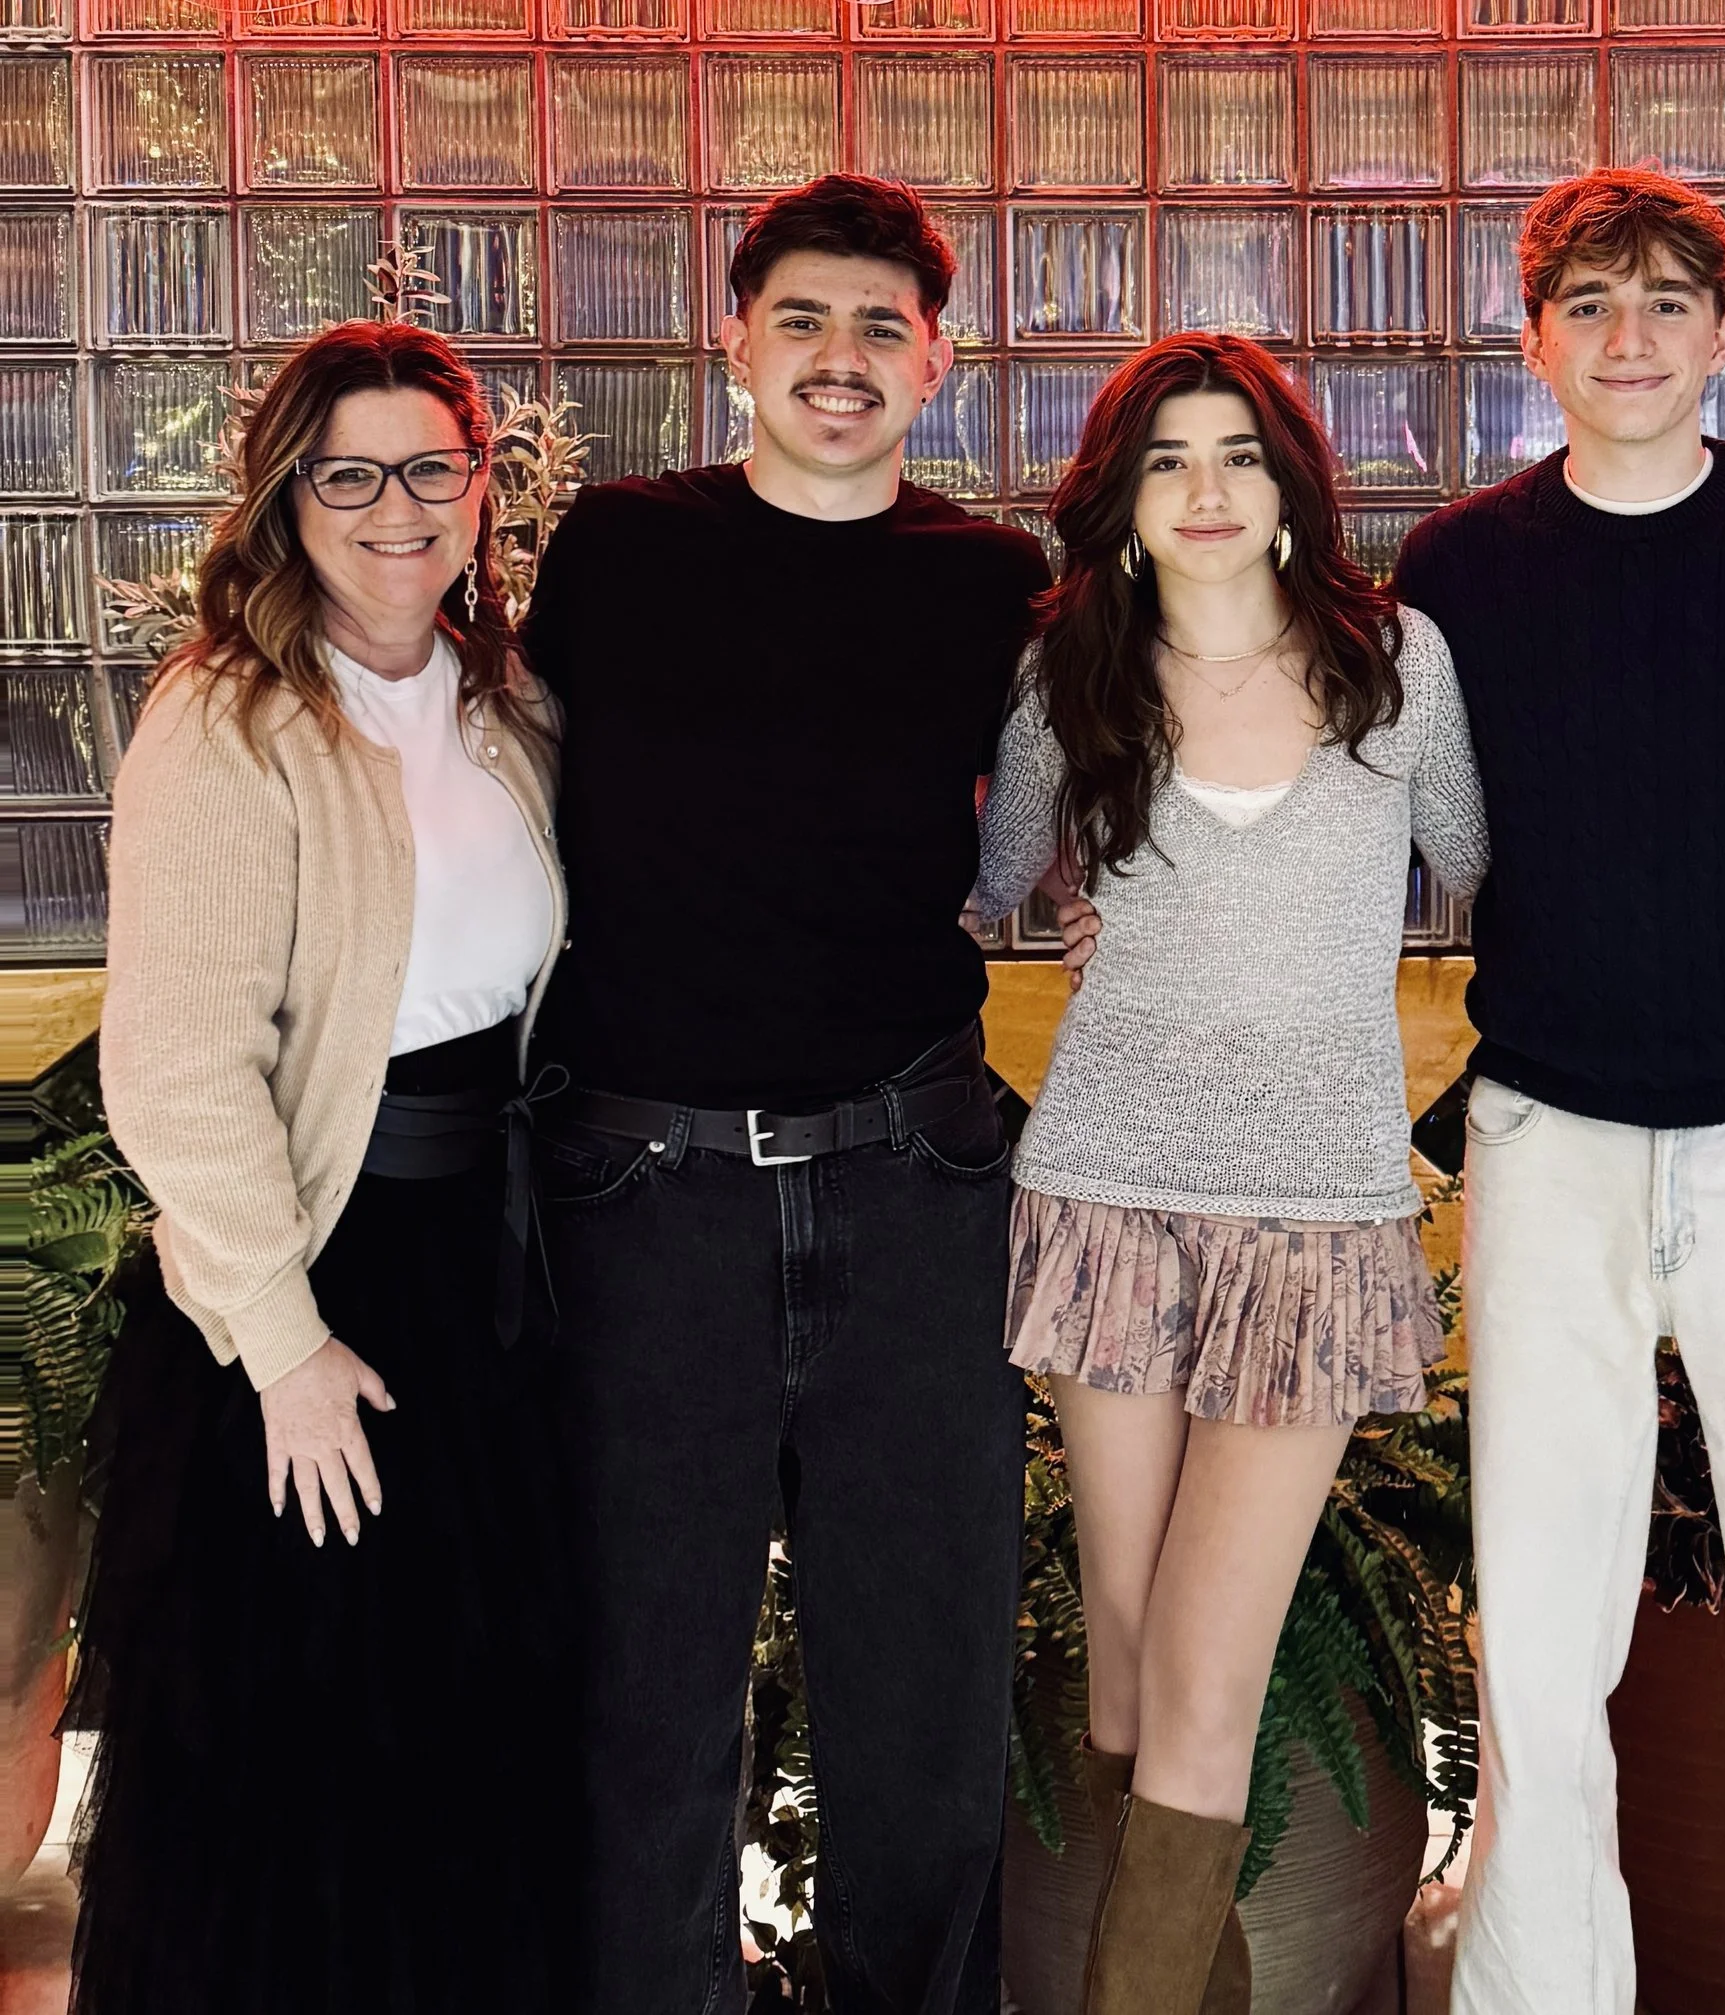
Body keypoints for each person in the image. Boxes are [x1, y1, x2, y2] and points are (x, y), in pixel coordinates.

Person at [521, 173, 1051, 2015]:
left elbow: (1066, 829)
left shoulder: (993, 582)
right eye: (804, 322)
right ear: (731, 340)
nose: (842, 359)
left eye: (882, 328)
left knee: (922, 1691)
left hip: (912, 1176)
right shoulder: (617, 546)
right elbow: (504, 791)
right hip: (640, 1190)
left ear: (939, 363)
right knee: (641, 1690)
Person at [1393, 168, 1725, 2015]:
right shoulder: (1455, 571)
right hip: (1549, 1135)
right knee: (1537, 1630)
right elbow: (1421, 833)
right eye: (1589, 304)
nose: (1629, 338)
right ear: (1533, 336)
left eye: (1666, 301)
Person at [971, 330, 1484, 2014]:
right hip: (1108, 1192)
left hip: (1312, 1218)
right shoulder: (1073, 681)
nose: (1206, 488)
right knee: (1127, 1651)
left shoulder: (1396, 663)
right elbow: (999, 882)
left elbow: (1475, 867)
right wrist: (1056, 908)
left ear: (1288, 491)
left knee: (1206, 1665)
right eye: (1169, 459)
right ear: (1122, 506)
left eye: (1239, 455)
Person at [74, 322, 568, 2014]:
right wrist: (281, 1344)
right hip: (308, 1286)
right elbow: (178, 1063)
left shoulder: (506, 704)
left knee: (471, 1752)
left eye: (432, 466)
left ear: (480, 486)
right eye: (346, 473)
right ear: (285, 500)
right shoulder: (228, 721)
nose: (393, 508)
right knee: (299, 1780)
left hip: (493, 1278)